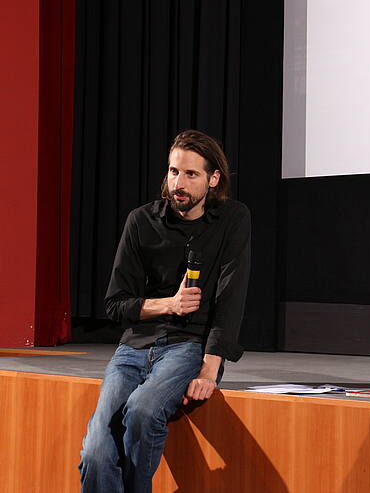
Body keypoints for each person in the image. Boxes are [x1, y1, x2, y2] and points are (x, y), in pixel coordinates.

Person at [79, 130, 251, 493]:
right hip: (134, 347)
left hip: (187, 346)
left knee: (142, 411)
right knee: (95, 452)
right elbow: (115, 304)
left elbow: (231, 300)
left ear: (213, 179)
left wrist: (210, 369)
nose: (179, 184)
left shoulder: (232, 219)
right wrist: (168, 304)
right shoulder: (141, 220)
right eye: (174, 172)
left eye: (190, 174)